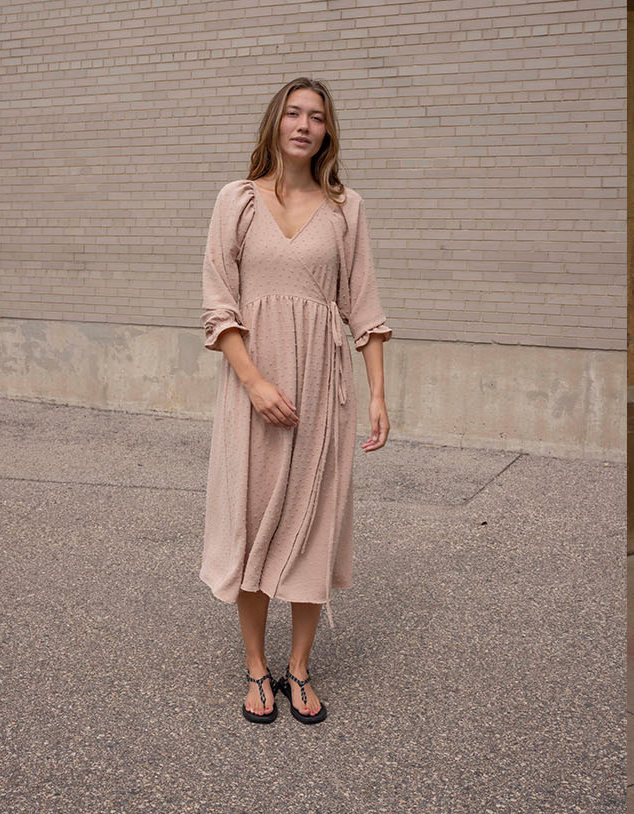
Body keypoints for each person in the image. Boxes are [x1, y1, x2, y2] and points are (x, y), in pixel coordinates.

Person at [198, 77, 391, 726]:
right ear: (275, 123)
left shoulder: (346, 209)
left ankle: (300, 669)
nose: (305, 124)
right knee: (252, 522)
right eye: (293, 113)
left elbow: (362, 307)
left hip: (319, 394)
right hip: (251, 392)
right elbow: (218, 301)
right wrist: (253, 382)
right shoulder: (237, 200)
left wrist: (379, 397)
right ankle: (257, 668)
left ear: (328, 133)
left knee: (312, 525)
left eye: (317, 117)